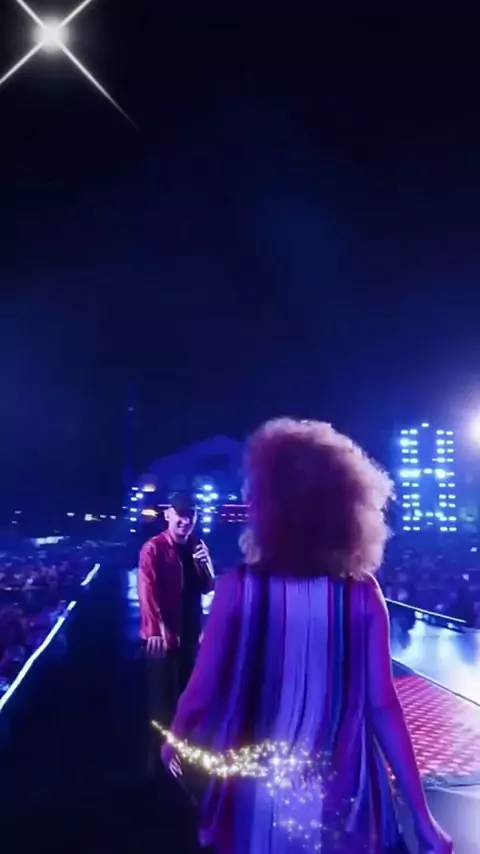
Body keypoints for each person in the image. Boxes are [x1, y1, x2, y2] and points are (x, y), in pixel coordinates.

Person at [163, 419, 453, 853]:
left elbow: (202, 689)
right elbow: (382, 706)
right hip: (347, 801)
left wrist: (176, 738)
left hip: (258, 800)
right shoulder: (361, 593)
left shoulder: (238, 589)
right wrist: (422, 817)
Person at [138, 491, 215, 759]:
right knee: (162, 704)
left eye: (190, 515)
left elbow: (208, 587)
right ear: (169, 515)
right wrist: (154, 631)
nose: (185, 520)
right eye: (180, 514)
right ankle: (157, 763)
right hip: (163, 638)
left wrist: (207, 566)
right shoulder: (154, 548)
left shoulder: (197, 546)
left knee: (186, 698)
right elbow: (147, 590)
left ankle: (181, 758)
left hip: (190, 636)